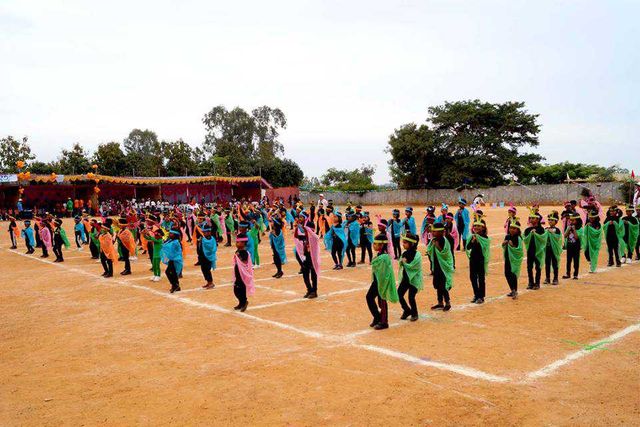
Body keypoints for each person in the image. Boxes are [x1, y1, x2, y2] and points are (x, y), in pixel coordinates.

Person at [366, 233, 399, 330]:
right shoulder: (380, 255)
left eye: (375, 243)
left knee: (382, 301)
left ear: (381, 245)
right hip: (377, 281)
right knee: (369, 297)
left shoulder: (384, 257)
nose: (374, 245)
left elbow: (384, 273)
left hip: (382, 283)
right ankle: (377, 317)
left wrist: (382, 285)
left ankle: (384, 322)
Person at [427, 221, 454, 311]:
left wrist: (436, 245)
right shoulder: (435, 239)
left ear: (440, 232)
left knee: (443, 285)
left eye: (434, 231)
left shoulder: (442, 240)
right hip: (437, 266)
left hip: (443, 267)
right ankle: (440, 302)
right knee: (438, 285)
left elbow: (443, 252)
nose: (432, 233)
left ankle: (447, 302)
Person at [397, 232, 422, 321]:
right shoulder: (405, 253)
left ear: (411, 244)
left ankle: (415, 313)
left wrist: (404, 262)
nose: (403, 244)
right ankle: (407, 310)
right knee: (399, 294)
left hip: (414, 279)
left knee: (411, 297)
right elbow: (401, 262)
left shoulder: (416, 255)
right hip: (406, 278)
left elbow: (413, 266)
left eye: (405, 242)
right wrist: (402, 261)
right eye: (403, 242)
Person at [295, 212, 321, 298]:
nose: (300, 218)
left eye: (302, 217)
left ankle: (314, 291)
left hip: (312, 252)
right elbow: (298, 237)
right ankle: (309, 289)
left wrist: (305, 229)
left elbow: (313, 235)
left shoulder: (310, 224)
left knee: (313, 272)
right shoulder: (299, 226)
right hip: (304, 252)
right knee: (305, 272)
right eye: (299, 217)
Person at [466, 220, 490, 304]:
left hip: (481, 260)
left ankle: (481, 296)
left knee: (481, 278)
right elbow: (468, 247)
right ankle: (476, 295)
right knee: (472, 278)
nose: (476, 227)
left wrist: (478, 241)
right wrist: (472, 241)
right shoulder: (472, 236)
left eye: (478, 226)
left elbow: (485, 248)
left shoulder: (485, 237)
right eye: (475, 225)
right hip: (473, 259)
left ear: (483, 227)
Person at [523, 213, 547, 290]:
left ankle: (537, 283)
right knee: (529, 267)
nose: (531, 219)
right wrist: (530, 233)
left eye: (533, 218)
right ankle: (530, 282)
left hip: (538, 251)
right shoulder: (527, 230)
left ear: (538, 219)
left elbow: (543, 239)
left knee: (538, 267)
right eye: (530, 218)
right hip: (530, 250)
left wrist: (535, 233)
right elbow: (525, 239)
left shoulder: (541, 229)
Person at [232, 233, 255, 311]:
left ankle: (244, 302)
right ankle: (240, 303)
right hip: (238, 272)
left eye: (240, 242)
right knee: (236, 289)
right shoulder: (237, 251)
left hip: (242, 274)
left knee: (241, 289)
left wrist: (239, 256)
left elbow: (245, 262)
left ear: (244, 243)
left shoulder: (244, 252)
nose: (237, 244)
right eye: (237, 242)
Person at [503, 220, 524, 299]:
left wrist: (512, 246)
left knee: (513, 274)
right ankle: (512, 290)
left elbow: (519, 250)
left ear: (518, 230)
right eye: (511, 228)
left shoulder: (518, 238)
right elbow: (504, 246)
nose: (512, 229)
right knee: (507, 274)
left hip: (514, 260)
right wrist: (504, 243)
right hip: (508, 258)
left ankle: (515, 290)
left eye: (514, 228)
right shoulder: (507, 236)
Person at [544, 211, 563, 285]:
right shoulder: (546, 229)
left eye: (552, 220)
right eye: (549, 220)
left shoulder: (557, 230)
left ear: (556, 221)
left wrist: (547, 231)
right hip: (547, 249)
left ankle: (555, 278)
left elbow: (553, 232)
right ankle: (547, 278)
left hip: (554, 249)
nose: (550, 221)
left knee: (555, 264)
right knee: (547, 264)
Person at [562, 214, 582, 279]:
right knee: (568, 261)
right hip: (569, 246)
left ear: (577, 220)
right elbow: (565, 236)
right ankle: (568, 274)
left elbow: (576, 237)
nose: (571, 222)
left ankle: (575, 274)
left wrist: (574, 230)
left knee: (576, 261)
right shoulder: (569, 227)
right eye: (571, 220)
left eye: (573, 220)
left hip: (576, 247)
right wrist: (568, 229)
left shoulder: (580, 229)